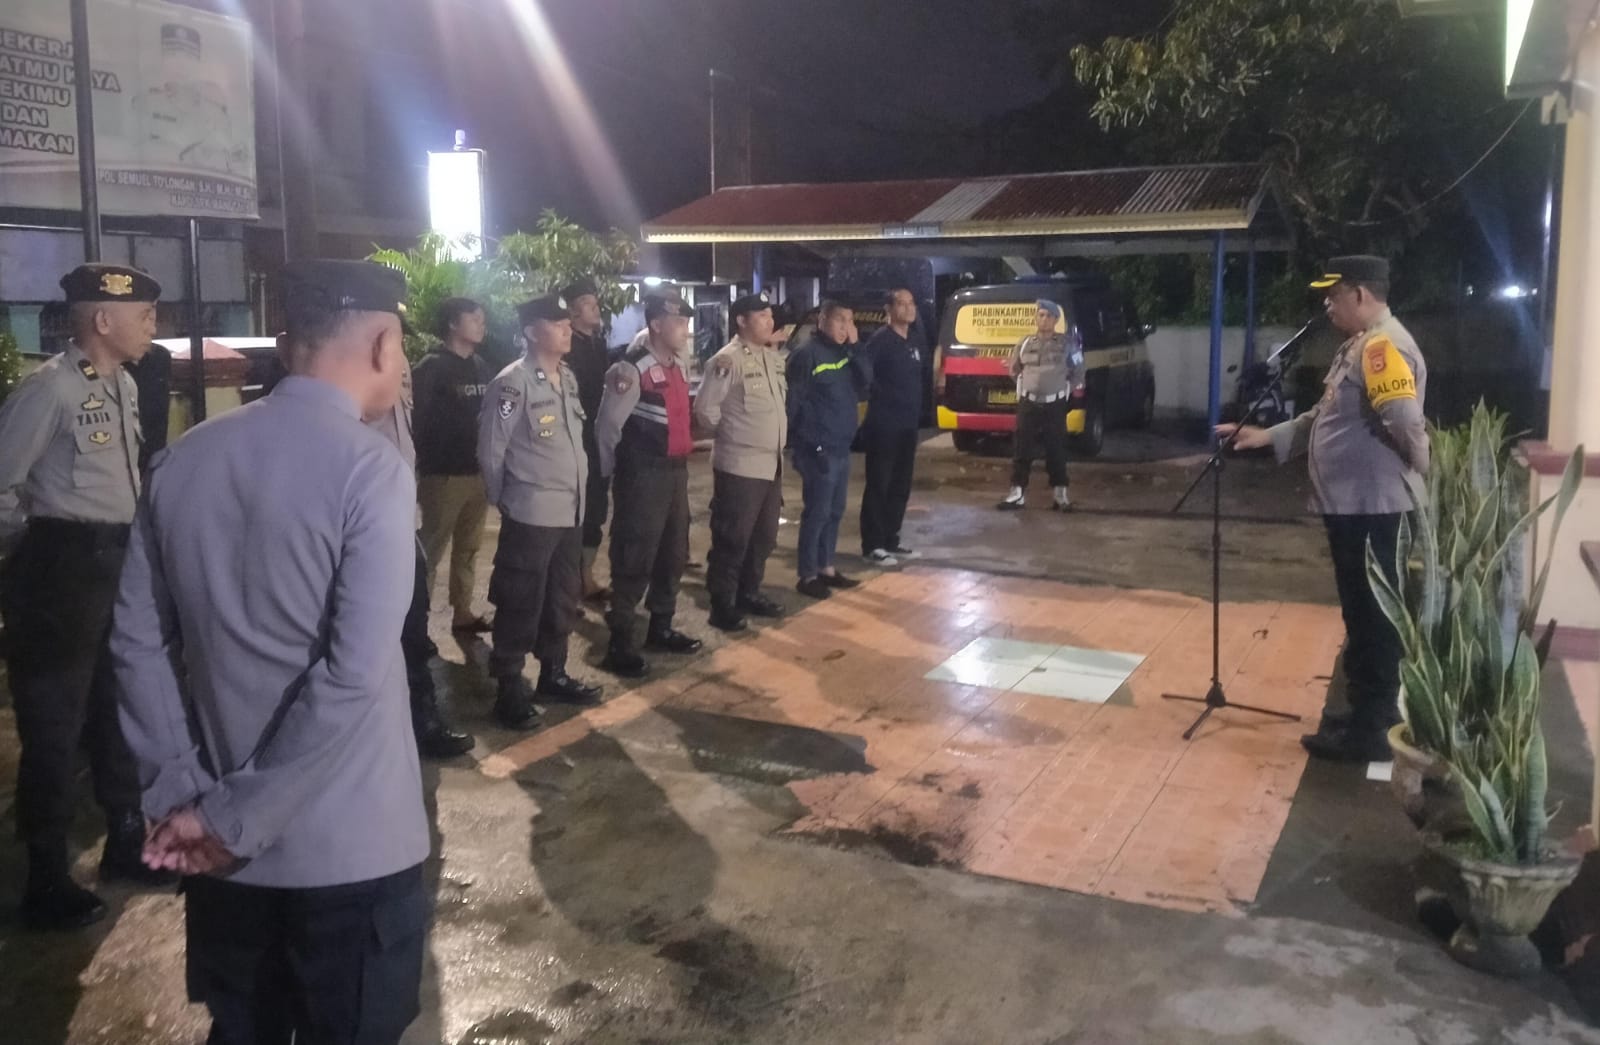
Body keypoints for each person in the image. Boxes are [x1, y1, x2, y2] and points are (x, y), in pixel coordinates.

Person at [110, 259, 430, 1044]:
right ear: (384, 345)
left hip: (219, 857)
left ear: (289, 344)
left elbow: (137, 643)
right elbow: (351, 676)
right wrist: (233, 818)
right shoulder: (372, 472)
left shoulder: (183, 460)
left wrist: (182, 799)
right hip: (348, 853)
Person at [0, 263, 174, 930]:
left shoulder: (122, 383)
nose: (153, 325)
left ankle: (126, 840)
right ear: (102, 320)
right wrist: (36, 549)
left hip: (117, 560)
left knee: (117, 708)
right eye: (143, 315)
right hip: (62, 570)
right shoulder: (49, 389)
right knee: (54, 724)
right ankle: (45, 873)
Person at [1219, 255, 1429, 763]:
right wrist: (1268, 436)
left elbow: (1404, 421)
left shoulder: (1382, 347)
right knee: (1360, 612)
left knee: (1373, 616)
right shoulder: (1360, 344)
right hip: (1354, 506)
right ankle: (1364, 712)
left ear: (1360, 294)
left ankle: (1373, 729)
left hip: (1372, 507)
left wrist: (1421, 467)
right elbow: (1323, 414)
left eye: (1334, 296)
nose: (1328, 305)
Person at [479, 294, 604, 726]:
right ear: (532, 332)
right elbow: (491, 450)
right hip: (531, 512)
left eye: (567, 322)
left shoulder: (565, 378)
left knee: (562, 597)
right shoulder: (512, 384)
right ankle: (509, 686)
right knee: (520, 600)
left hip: (570, 511)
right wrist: (505, 498)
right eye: (557, 323)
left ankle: (554, 672)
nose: (567, 328)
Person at [367, 352, 476, 759]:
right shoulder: (343, 372)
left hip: (400, 518)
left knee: (412, 628)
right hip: (366, 522)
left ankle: (421, 720)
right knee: (375, 635)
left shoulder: (397, 363)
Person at [595, 292, 704, 676]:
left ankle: (661, 626)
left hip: (675, 471)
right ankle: (620, 643)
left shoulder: (677, 366)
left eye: (687, 323)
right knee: (634, 555)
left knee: (673, 552)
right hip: (642, 473)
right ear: (656, 325)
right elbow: (607, 428)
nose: (686, 330)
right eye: (679, 323)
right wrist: (611, 475)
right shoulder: (631, 369)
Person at [693, 292, 788, 632]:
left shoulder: (771, 358)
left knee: (764, 537)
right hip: (740, 466)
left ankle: (749, 592)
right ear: (741, 321)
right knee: (732, 538)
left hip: (771, 464)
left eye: (770, 315)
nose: (769, 321)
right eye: (761, 316)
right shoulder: (727, 361)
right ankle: (722, 605)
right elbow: (705, 411)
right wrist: (734, 435)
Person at [414, 296, 494, 634]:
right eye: (474, 319)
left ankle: (462, 612)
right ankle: (416, 625)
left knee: (469, 548)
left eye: (482, 319)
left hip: (477, 472)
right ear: (452, 323)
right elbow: (417, 420)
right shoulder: (431, 367)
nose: (481, 325)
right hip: (443, 475)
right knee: (430, 551)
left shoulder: (481, 366)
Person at [786, 300, 867, 599]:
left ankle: (826, 567)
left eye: (850, 321)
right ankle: (807, 575)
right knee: (817, 513)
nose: (846, 327)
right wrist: (803, 443)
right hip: (818, 449)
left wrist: (856, 347)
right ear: (822, 320)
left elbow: (866, 380)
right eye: (840, 320)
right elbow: (793, 404)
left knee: (835, 510)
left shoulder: (844, 352)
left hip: (841, 446)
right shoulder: (806, 355)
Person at [858, 287, 924, 565]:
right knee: (879, 485)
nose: (909, 308)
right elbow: (864, 377)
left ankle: (891, 540)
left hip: (908, 426)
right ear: (888, 309)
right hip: (884, 426)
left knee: (900, 485)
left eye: (912, 303)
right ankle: (873, 545)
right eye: (902, 303)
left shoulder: (914, 340)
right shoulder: (880, 341)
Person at [998, 299, 1085, 511]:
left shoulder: (1067, 344)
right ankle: (1017, 494)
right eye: (1041, 315)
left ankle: (1060, 495)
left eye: (1048, 316)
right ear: (1036, 318)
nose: (1044, 319)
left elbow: (1079, 370)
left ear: (1055, 320)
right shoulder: (1025, 343)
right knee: (1022, 448)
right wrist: (1027, 386)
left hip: (1054, 404)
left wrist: (1065, 389)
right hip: (1028, 403)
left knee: (1056, 449)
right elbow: (1014, 369)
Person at [564, 279, 613, 602]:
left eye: (595, 302)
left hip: (598, 439)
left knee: (595, 509)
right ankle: (569, 581)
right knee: (575, 512)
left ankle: (586, 576)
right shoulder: (567, 347)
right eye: (587, 303)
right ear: (571, 311)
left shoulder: (598, 344)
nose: (595, 307)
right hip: (575, 439)